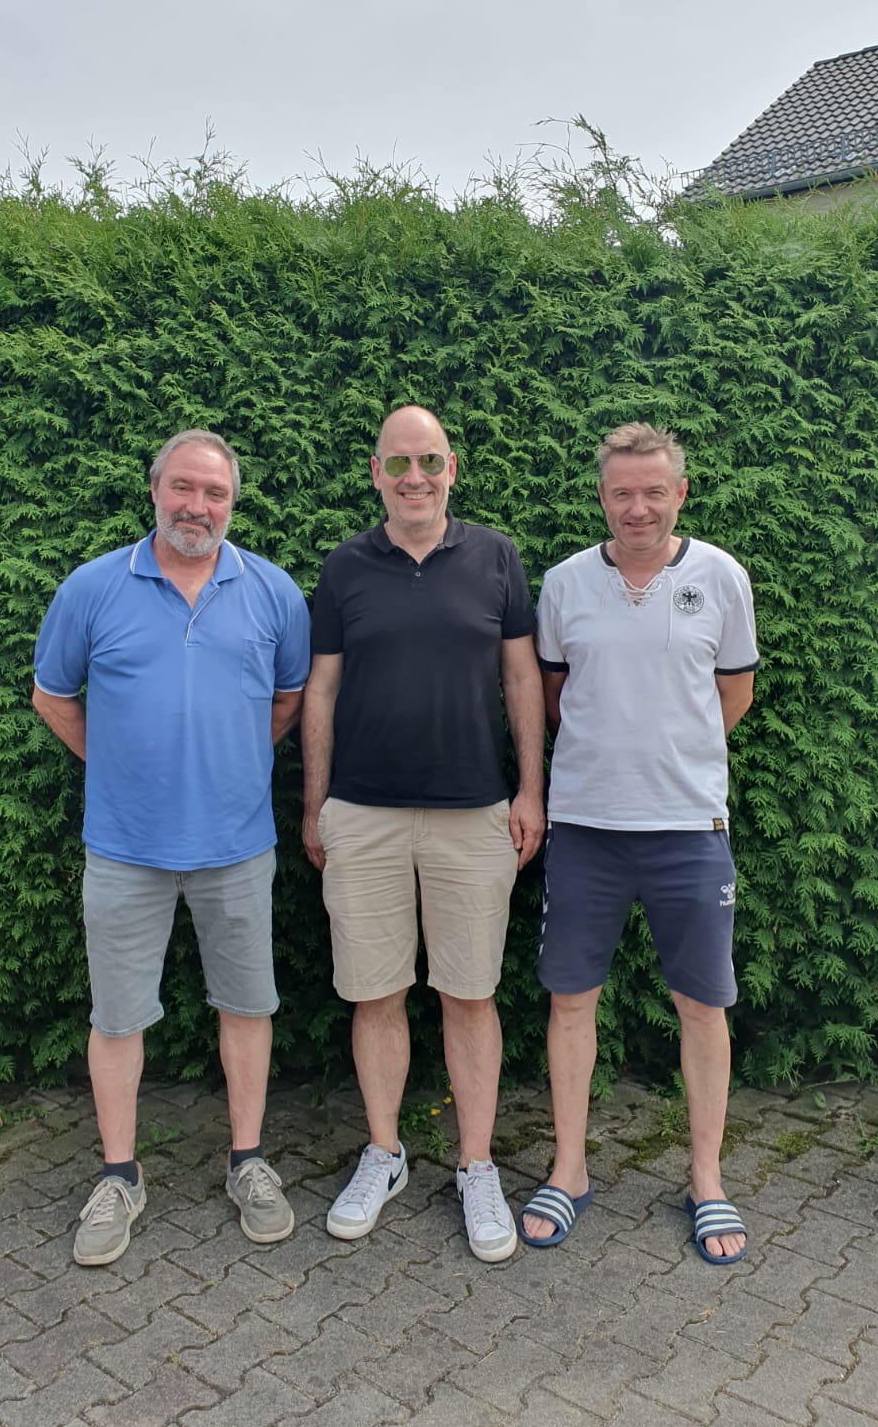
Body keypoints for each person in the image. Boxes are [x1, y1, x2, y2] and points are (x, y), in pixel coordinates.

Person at [32, 429, 310, 1266]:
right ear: (154, 490)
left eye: (215, 493)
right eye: (183, 488)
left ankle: (248, 1162)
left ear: (233, 504)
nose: (197, 506)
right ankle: (119, 1176)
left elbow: (289, 699)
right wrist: (122, 767)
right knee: (116, 1017)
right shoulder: (91, 588)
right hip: (124, 848)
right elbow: (53, 697)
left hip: (237, 845)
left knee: (248, 1006)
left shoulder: (273, 592)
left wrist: (230, 766)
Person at [301, 406, 545, 1264]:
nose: (415, 477)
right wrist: (316, 803)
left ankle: (476, 1166)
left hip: (474, 812)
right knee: (375, 994)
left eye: (430, 461)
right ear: (376, 473)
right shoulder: (343, 567)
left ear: (452, 469)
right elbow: (320, 690)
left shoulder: (497, 557)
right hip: (362, 814)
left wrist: (531, 789)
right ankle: (385, 1153)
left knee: (469, 995)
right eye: (399, 462)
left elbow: (522, 678)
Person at [521, 422, 758, 1261]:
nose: (638, 507)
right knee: (570, 1000)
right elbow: (555, 696)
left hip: (690, 828)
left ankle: (707, 1180)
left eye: (654, 491)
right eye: (622, 492)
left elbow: (734, 691)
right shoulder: (564, 584)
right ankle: (570, 1169)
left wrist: (673, 758)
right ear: (602, 497)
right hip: (586, 827)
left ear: (679, 494)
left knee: (703, 1005)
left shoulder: (722, 576)